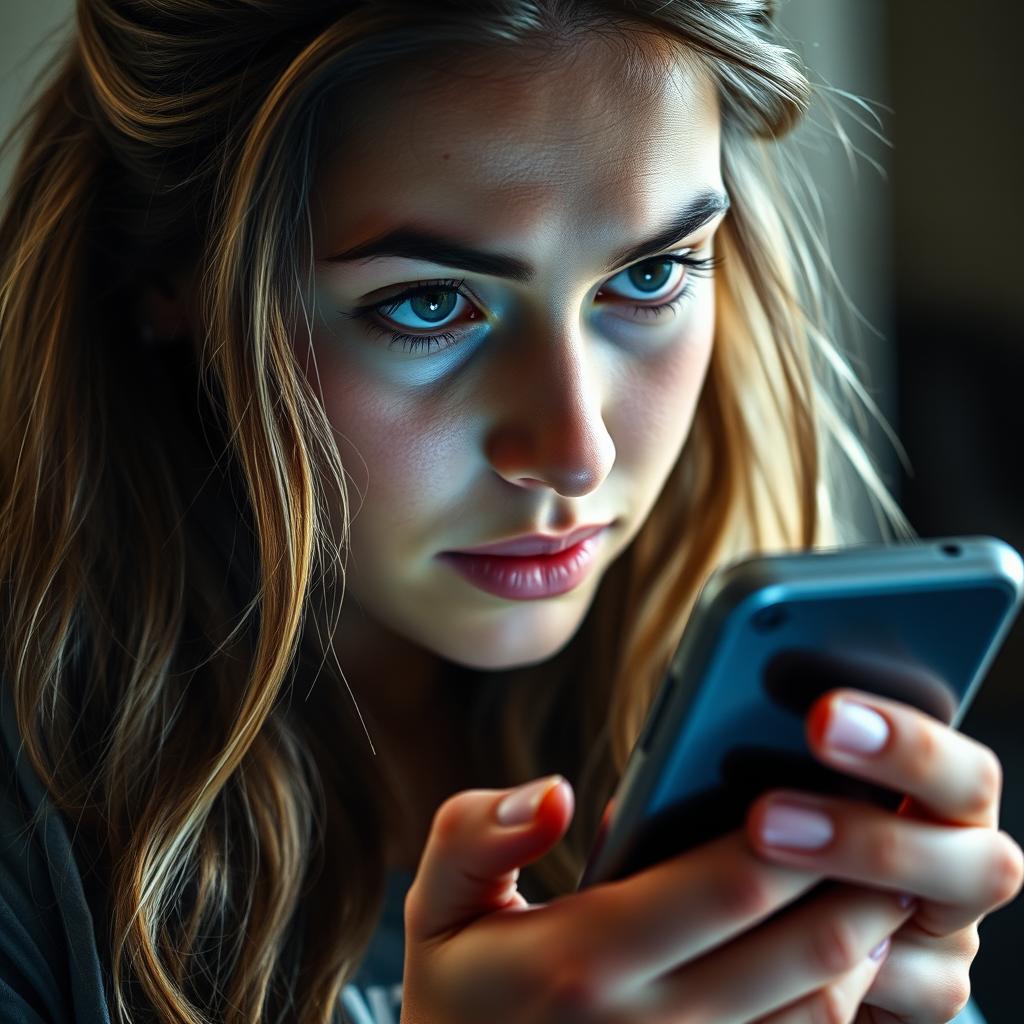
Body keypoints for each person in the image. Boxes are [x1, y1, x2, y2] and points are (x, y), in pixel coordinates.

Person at [0, 1, 1019, 1022]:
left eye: (651, 275)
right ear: (165, 282)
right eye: (429, 303)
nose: (578, 454)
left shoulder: (749, 757)